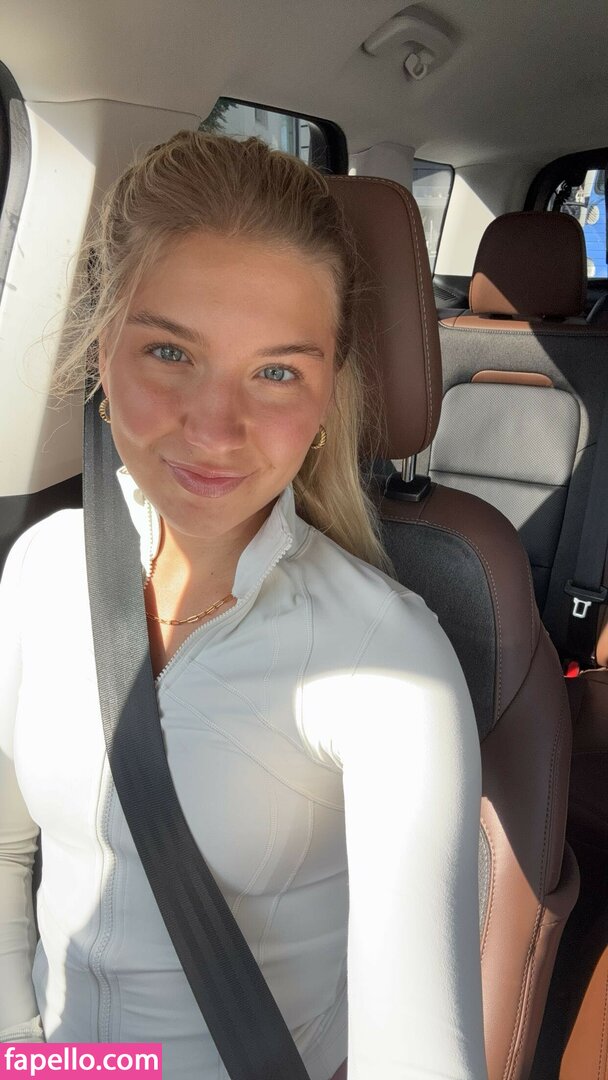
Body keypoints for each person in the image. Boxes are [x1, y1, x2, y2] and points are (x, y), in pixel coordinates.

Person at [0, 131, 487, 1079]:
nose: (216, 429)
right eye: (169, 350)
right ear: (102, 349)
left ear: (327, 396)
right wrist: (21, 1052)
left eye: (275, 371)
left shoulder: (388, 664)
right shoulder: (39, 571)